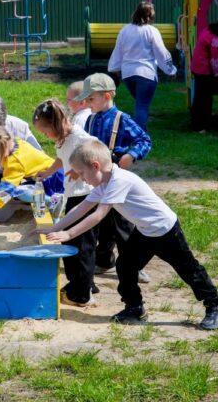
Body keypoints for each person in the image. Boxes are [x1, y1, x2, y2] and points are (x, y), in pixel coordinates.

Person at [38, 139, 218, 330]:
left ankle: (216, 305)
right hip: (145, 231)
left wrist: (68, 233)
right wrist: (55, 229)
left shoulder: (119, 180)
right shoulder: (103, 183)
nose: (81, 178)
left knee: (188, 269)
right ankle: (134, 308)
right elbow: (82, 208)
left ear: (96, 166)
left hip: (165, 230)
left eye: (82, 173)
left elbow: (98, 215)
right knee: (125, 266)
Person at [75, 73, 152, 284]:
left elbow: (144, 140)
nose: (87, 103)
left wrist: (130, 156)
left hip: (116, 173)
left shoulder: (122, 119)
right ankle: (104, 260)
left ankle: (133, 265)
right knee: (103, 224)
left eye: (91, 99)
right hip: (97, 176)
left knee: (122, 224)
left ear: (107, 96)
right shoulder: (90, 120)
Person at [32, 99, 98, 306]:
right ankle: (81, 284)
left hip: (86, 197)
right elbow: (61, 158)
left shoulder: (80, 138)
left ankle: (83, 294)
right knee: (69, 244)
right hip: (73, 195)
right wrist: (48, 172)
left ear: (56, 125)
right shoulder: (63, 139)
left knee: (83, 246)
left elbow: (99, 152)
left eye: (45, 132)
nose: (45, 136)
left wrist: (80, 171)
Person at [108, 2, 177, 131]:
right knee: (142, 105)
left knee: (140, 103)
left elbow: (118, 50)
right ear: (150, 15)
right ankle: (139, 136)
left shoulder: (125, 30)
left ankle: (140, 132)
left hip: (128, 74)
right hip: (146, 73)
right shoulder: (152, 31)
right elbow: (161, 52)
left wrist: (114, 68)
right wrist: (171, 70)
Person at [0, 126, 63, 223]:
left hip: (50, 179)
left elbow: (7, 187)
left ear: (3, 147)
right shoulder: (17, 142)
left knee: (17, 191)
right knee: (45, 208)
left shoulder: (14, 162)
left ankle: (51, 201)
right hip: (57, 172)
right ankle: (55, 220)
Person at [190, 16, 218, 132]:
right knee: (205, 98)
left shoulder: (208, 29)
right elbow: (214, 60)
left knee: (199, 97)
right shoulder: (216, 40)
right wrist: (217, 72)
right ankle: (202, 125)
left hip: (196, 67)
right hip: (203, 70)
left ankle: (197, 124)